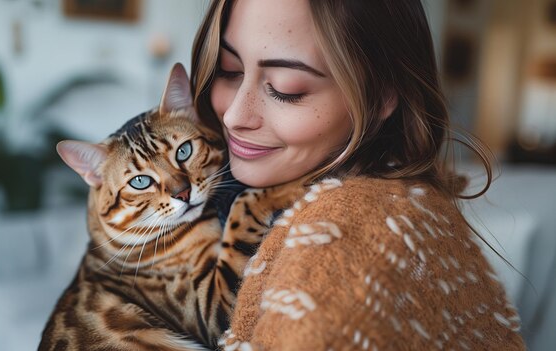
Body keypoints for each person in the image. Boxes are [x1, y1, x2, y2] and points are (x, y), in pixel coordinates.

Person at [190, 0, 526, 349]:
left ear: (380, 95)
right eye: (229, 70)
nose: (233, 116)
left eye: (285, 87)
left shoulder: (345, 240)